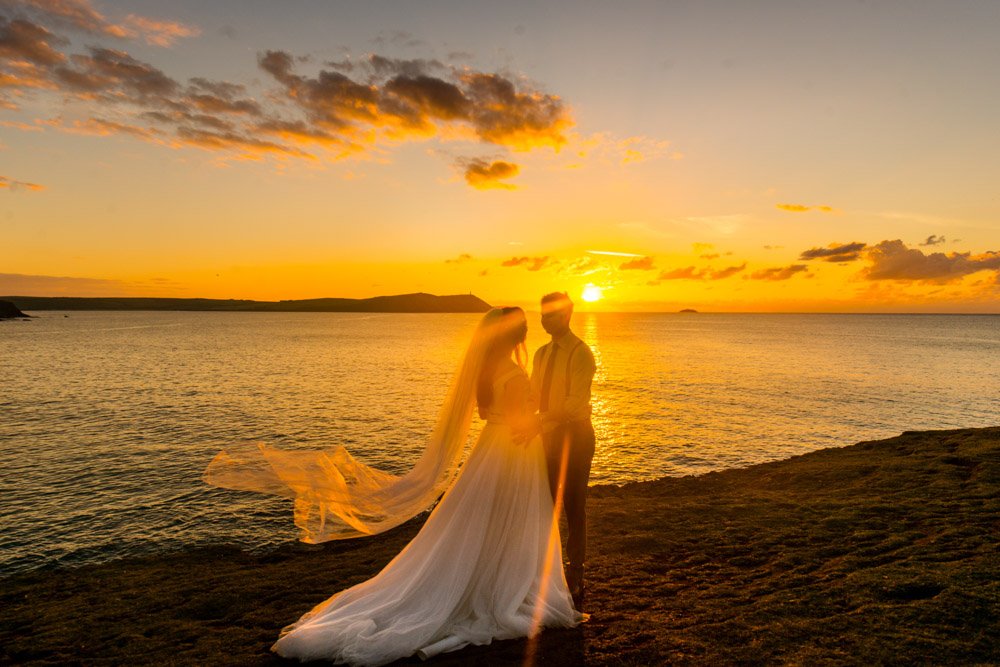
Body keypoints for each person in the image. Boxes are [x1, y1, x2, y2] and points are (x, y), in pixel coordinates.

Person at [204, 307, 581, 665]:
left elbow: (489, 413)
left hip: (492, 447)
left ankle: (494, 575)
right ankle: (504, 585)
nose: (529, 329)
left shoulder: (487, 368)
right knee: (513, 517)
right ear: (514, 332)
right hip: (514, 451)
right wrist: (540, 419)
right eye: (524, 326)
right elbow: (519, 420)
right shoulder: (511, 370)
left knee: (486, 518)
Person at [528, 292, 597, 610]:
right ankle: (547, 569)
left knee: (574, 504)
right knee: (544, 504)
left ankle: (577, 571)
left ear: (567, 316)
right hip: (545, 437)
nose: (544, 320)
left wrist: (540, 421)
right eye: (542, 315)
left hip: (575, 436)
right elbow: (533, 393)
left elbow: (574, 404)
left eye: (551, 315)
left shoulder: (581, 353)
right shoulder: (540, 354)